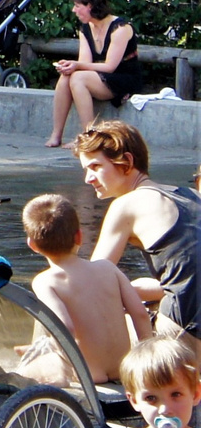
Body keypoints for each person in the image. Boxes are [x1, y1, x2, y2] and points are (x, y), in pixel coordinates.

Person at [75, 121, 201, 348]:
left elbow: (94, 285)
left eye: (95, 167)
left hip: (184, 337)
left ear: (127, 162)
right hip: (191, 324)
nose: (88, 178)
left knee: (85, 317)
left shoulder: (126, 205)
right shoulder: (191, 195)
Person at [16, 194, 151, 385]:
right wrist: (147, 361)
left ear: (33, 245)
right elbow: (140, 314)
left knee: (26, 371)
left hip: (87, 374)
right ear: (79, 236)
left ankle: (34, 352)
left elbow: (66, 329)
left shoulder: (45, 281)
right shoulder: (108, 268)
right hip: (122, 369)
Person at [47, 0, 145, 148]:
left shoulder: (120, 28)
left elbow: (110, 66)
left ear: (90, 6)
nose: (74, 10)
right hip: (100, 77)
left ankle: (89, 135)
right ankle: (56, 134)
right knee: (67, 77)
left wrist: (77, 66)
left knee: (78, 77)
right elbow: (86, 62)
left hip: (124, 78)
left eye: (78, 6)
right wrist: (70, 66)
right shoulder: (85, 29)